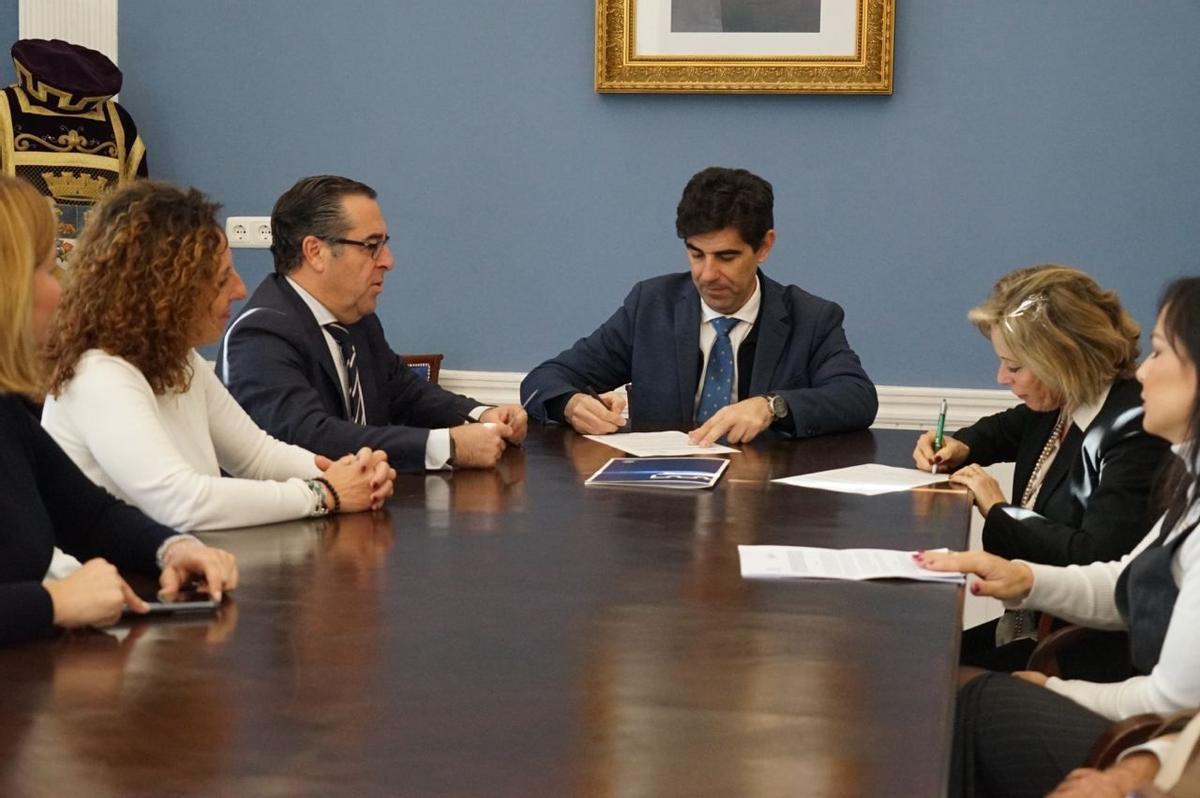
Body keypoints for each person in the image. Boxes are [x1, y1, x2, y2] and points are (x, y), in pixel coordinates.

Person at [918, 276, 1200, 798]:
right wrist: (1023, 577)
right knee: (927, 668)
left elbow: (1173, 702)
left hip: (1152, 730)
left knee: (962, 700)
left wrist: (1055, 688)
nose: (1141, 371)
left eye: (1160, 353)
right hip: (1150, 720)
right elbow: (1123, 583)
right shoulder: (1188, 479)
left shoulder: (1131, 430)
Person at [40, 181, 394, 535]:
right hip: (120, 581)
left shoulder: (180, 360)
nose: (240, 289)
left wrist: (347, 472)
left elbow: (257, 456)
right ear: (169, 289)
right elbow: (182, 502)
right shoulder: (98, 374)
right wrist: (325, 492)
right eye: (222, 278)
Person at [0, 174, 237, 646]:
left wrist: (173, 549)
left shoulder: (7, 412)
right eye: (49, 270)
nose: (61, 290)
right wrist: (54, 604)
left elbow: (90, 517)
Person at [913, 265, 1172, 667]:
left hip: (1085, 651)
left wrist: (1000, 510)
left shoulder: (1135, 429)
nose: (1001, 377)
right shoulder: (1061, 403)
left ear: (1063, 361)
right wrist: (959, 444)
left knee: (922, 676)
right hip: (1035, 625)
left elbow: (1095, 557)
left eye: (1014, 367)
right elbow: (1004, 429)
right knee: (915, 660)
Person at [520, 166, 877, 445]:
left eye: (726, 257)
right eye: (696, 254)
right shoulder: (652, 306)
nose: (707, 274)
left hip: (766, 503)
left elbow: (858, 398)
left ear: (764, 247)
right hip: (665, 508)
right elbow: (544, 379)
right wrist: (569, 403)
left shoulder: (810, 318)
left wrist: (772, 406)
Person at [217, 175, 528, 473]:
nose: (387, 260)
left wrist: (481, 415)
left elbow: (403, 392)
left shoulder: (356, 319)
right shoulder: (260, 335)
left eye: (384, 244)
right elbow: (307, 438)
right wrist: (445, 446)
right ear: (315, 252)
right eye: (371, 245)